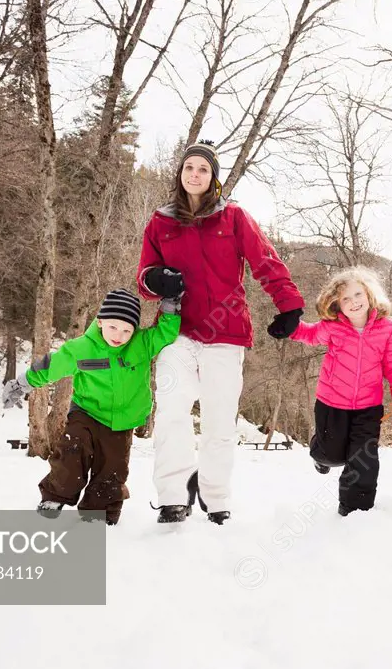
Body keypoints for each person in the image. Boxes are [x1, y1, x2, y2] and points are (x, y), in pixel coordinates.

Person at [136, 140, 305, 525]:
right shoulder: (161, 221)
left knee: (219, 421)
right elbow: (144, 277)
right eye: (188, 167)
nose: (194, 174)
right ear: (180, 175)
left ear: (213, 178)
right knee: (172, 412)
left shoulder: (233, 218)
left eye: (203, 169)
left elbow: (265, 260)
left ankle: (216, 499)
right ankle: (173, 498)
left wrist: (289, 305)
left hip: (225, 334)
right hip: (176, 331)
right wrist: (155, 278)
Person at [1, 288, 182, 526]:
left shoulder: (142, 344)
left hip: (122, 421)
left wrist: (170, 306)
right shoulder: (81, 348)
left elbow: (165, 333)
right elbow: (50, 367)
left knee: (112, 468)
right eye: (113, 327)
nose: (119, 335)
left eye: (127, 330)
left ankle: (99, 510)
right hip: (86, 413)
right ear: (100, 322)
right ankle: (55, 496)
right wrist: (21, 384)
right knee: (72, 450)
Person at [287, 265, 392, 516]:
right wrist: (288, 326)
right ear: (337, 304)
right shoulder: (332, 327)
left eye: (358, 295)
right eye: (345, 298)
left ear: (369, 295)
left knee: (364, 460)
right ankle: (319, 453)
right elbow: (308, 334)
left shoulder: (387, 329)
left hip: (368, 407)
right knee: (332, 455)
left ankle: (355, 509)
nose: (354, 302)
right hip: (331, 403)